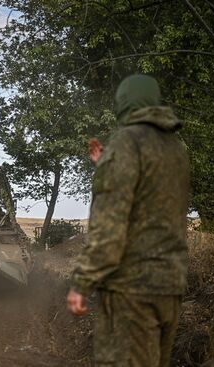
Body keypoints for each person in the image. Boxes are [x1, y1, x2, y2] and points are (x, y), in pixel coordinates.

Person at [67, 74, 190, 367]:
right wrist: (106, 165)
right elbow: (150, 200)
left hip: (131, 290)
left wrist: (82, 283)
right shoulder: (175, 149)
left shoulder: (126, 142)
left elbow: (109, 227)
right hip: (170, 287)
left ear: (123, 104)